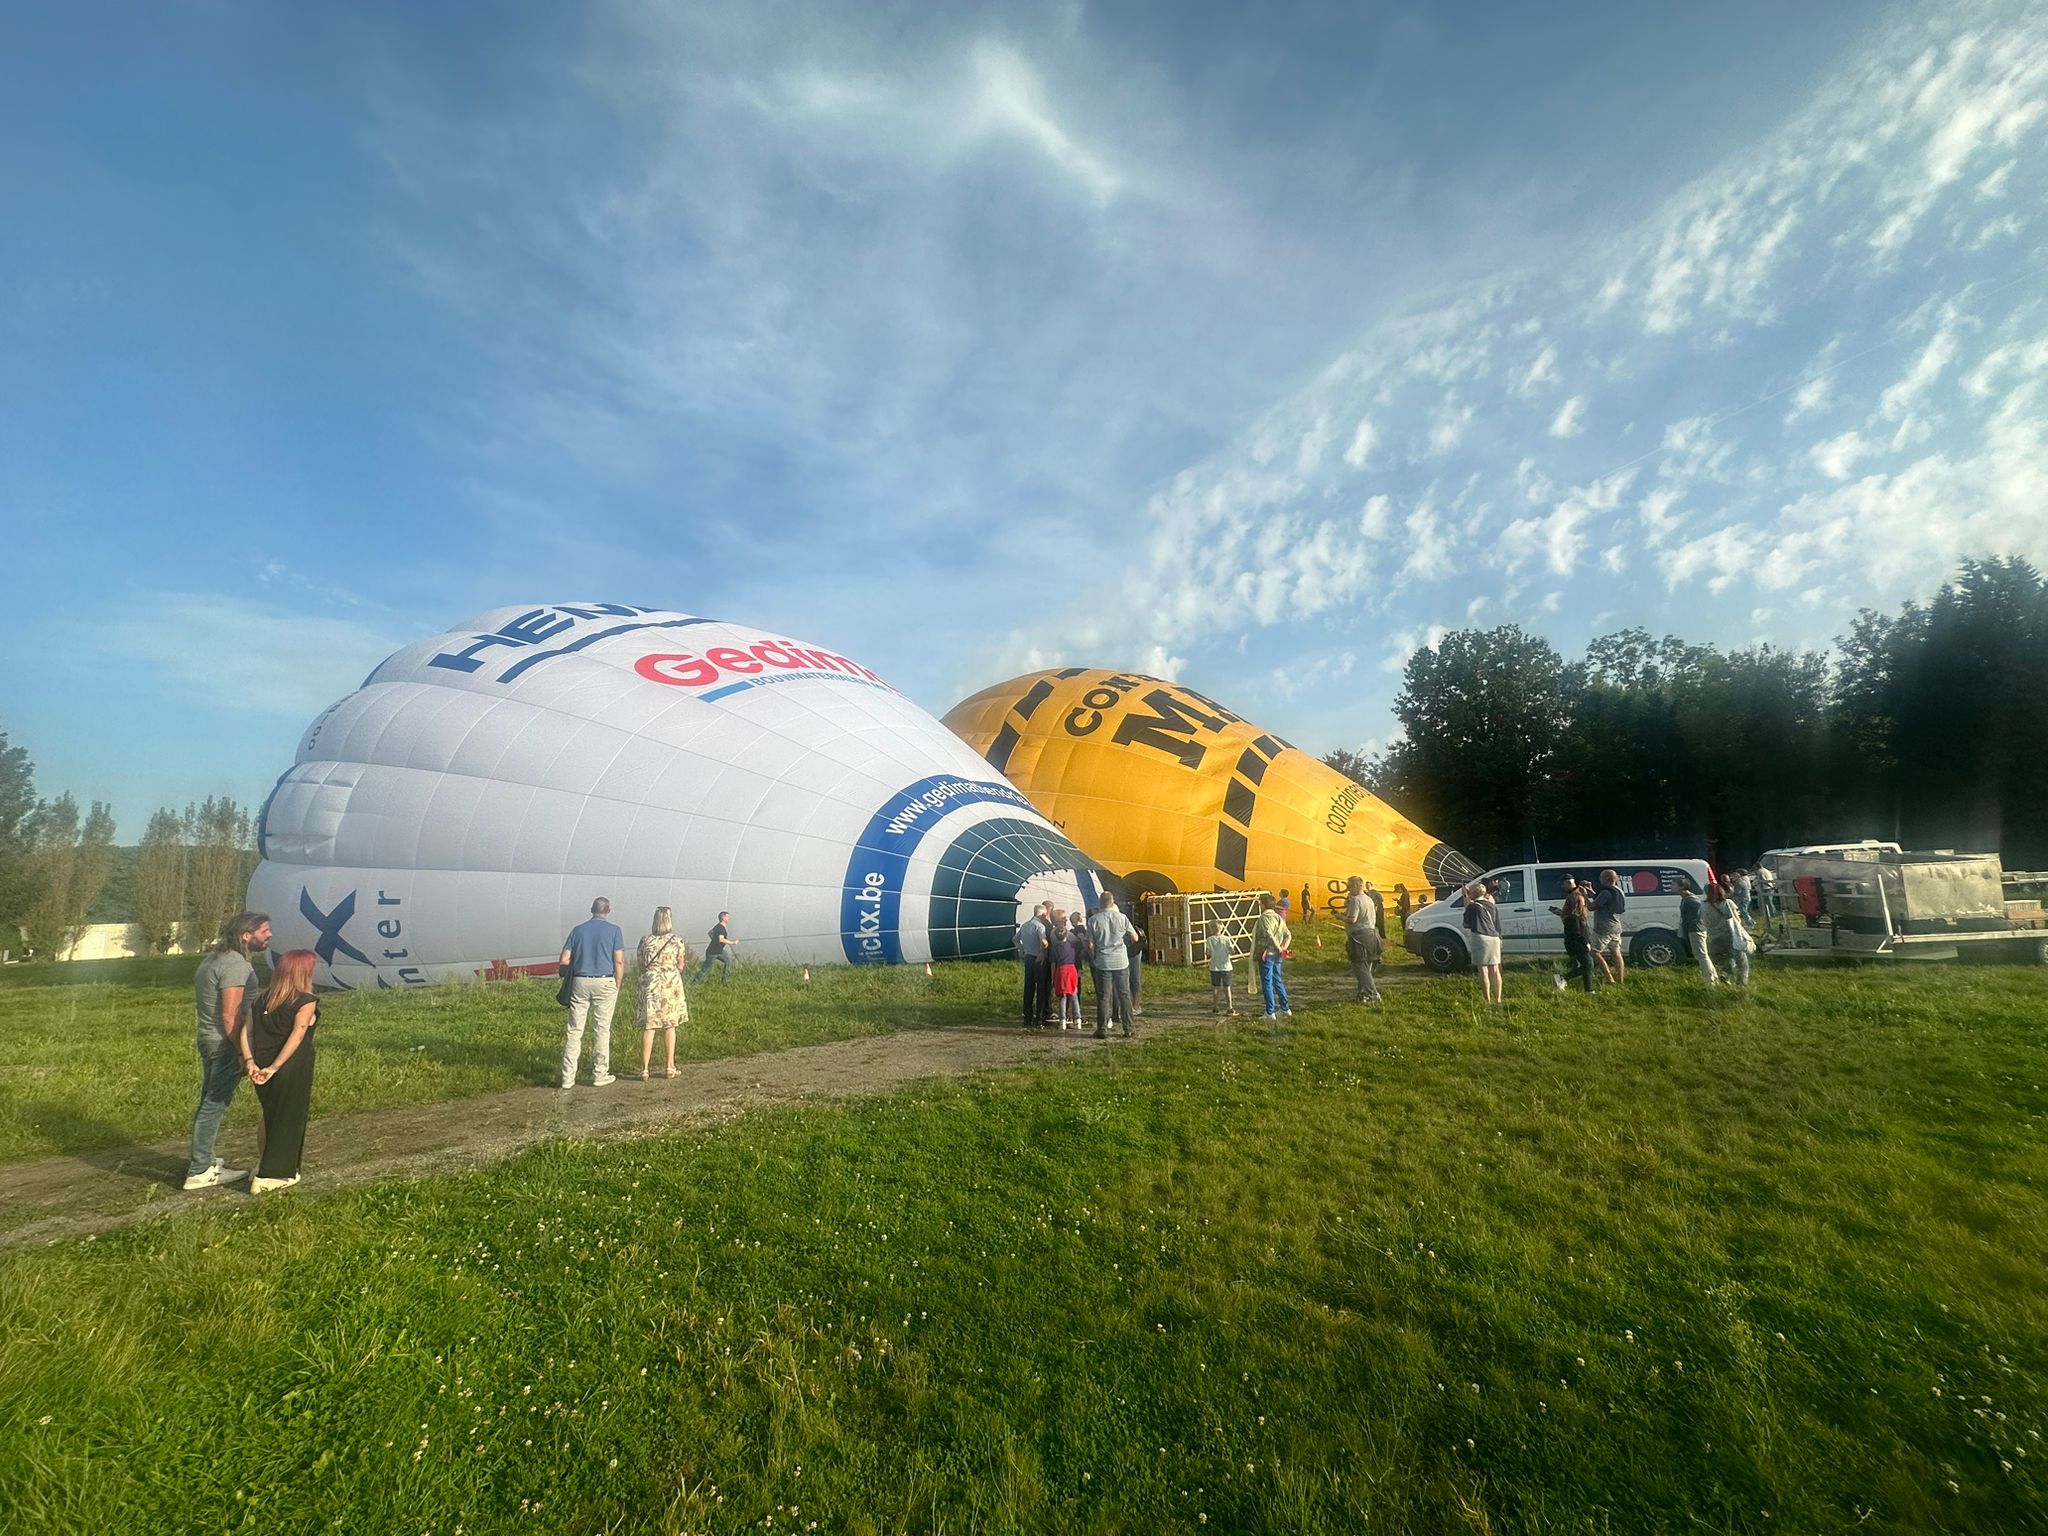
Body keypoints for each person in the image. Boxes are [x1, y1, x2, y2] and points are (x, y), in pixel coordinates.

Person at [184, 910, 271, 1191]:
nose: (268, 935)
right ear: (246, 935)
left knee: (209, 1099)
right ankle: (200, 1170)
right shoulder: (235, 965)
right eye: (263, 931)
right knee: (215, 1104)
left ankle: (205, 1159)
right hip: (223, 1043)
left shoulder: (214, 959)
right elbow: (230, 1015)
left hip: (209, 1039)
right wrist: (242, 1052)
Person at [245, 947, 319, 1192]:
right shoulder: (305, 1001)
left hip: (260, 1064)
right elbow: (297, 1036)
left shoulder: (260, 999)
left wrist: (251, 1062)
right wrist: (276, 1067)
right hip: (290, 1066)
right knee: (290, 1117)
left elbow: (248, 1031)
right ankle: (273, 1174)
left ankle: (263, 1163)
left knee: (270, 1115)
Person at [559, 897, 626, 1088]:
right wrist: (617, 983)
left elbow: (564, 960)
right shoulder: (614, 931)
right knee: (602, 1029)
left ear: (591, 909)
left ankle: (567, 1078)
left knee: (574, 1030)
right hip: (605, 980)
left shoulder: (577, 930)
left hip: (580, 980)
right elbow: (619, 961)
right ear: (609, 910)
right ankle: (599, 1074)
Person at [638, 906, 689, 1079]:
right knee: (669, 1026)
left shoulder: (645, 940)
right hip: (670, 984)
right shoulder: (677, 941)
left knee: (650, 1026)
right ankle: (669, 1066)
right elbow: (681, 965)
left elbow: (641, 965)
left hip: (651, 984)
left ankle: (645, 1069)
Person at [1085, 892, 1137, 1039]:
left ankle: (1102, 1029)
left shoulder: (1093, 920)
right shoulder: (1122, 918)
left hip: (1103, 961)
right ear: (1112, 902)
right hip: (1120, 960)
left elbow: (1089, 943)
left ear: (1100, 903)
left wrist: (1094, 956)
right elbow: (1135, 937)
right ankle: (1128, 1028)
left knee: (1103, 996)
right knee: (1124, 995)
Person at [1703, 880, 1754, 987]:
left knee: (1726, 958)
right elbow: (1736, 920)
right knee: (1742, 963)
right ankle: (1741, 985)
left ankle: (1725, 974)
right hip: (1730, 936)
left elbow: (1702, 921)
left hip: (1713, 937)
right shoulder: (1728, 903)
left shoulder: (1703, 906)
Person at [1551, 879, 1597, 994]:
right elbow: (1576, 932)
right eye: (1582, 903)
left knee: (1588, 964)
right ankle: (1587, 989)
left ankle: (1564, 979)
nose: (1584, 904)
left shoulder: (1574, 915)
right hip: (1577, 943)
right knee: (1588, 964)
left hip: (1576, 941)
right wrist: (1585, 942)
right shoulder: (1574, 917)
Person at [1252, 894, 1294, 1020]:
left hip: (1267, 954)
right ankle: (1285, 1008)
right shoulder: (1279, 917)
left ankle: (1270, 1012)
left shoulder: (1263, 918)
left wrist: (1279, 948)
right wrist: (1283, 948)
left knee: (1267, 982)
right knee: (1277, 980)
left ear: (1263, 905)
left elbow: (1269, 935)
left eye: (1260, 904)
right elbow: (1288, 935)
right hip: (1277, 956)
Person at [1463, 881, 1503, 1004]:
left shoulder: (1472, 907)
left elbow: (1466, 924)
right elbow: (1497, 924)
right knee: (1495, 970)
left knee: (1483, 970)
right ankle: (1498, 999)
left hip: (1480, 938)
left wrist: (1465, 897)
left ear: (1473, 894)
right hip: (1494, 938)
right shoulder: (1492, 905)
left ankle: (1488, 1000)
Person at [1344, 876, 1383, 1002]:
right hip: (1372, 935)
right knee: (1367, 967)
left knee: (1360, 967)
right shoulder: (1369, 899)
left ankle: (1373, 994)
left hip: (1359, 937)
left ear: (1357, 886)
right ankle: (1363, 995)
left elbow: (1352, 919)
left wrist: (1339, 917)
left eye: (1349, 886)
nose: (1348, 889)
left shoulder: (1355, 900)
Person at [1015, 902, 1050, 1028]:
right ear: (1044, 914)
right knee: (1040, 988)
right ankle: (1039, 1017)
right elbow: (1044, 942)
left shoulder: (1025, 925)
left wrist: (1022, 948)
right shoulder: (1040, 926)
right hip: (1038, 958)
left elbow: (1015, 939)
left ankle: (1027, 1016)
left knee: (1028, 987)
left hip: (1028, 956)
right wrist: (1043, 952)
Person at [1591, 869, 1628, 985]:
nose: (1600, 879)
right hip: (1616, 926)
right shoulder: (1619, 891)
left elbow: (1592, 907)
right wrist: (1589, 891)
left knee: (1594, 952)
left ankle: (1609, 978)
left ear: (1607, 879)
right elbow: (1600, 899)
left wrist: (1583, 895)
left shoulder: (1605, 892)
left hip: (1604, 927)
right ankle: (1620, 979)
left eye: (1601, 877)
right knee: (1616, 952)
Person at [1679, 877, 1717, 985]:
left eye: (1673, 884)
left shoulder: (1691, 899)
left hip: (1696, 929)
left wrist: (1696, 921)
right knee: (1701, 955)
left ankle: (1710, 980)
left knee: (1701, 955)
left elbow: (1703, 909)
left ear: (1681, 886)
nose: (1671, 887)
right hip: (1693, 929)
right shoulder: (1686, 898)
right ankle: (1713, 976)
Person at [1049, 913, 1083, 1030]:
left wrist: (1053, 979)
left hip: (1060, 971)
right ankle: (1077, 1019)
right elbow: (1080, 946)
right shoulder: (1072, 945)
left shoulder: (1054, 949)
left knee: (1062, 996)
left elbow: (1053, 964)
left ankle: (1062, 1020)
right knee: (1074, 994)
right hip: (1072, 970)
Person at [693, 911, 737, 983]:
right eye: (727, 917)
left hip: (720, 951)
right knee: (705, 968)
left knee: (728, 961)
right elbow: (721, 939)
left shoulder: (718, 926)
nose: (729, 918)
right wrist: (732, 942)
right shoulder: (721, 928)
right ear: (723, 918)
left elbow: (710, 933)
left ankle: (725, 980)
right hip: (712, 952)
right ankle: (695, 982)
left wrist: (714, 940)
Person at [1205, 923, 1238, 1016]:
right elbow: (1232, 951)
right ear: (1222, 928)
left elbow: (1207, 953)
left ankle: (1215, 1007)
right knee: (1227, 988)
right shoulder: (1227, 939)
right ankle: (1229, 1008)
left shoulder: (1209, 940)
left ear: (1211, 929)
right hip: (1226, 966)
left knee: (1215, 988)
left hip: (1214, 966)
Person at [1125, 913, 1147, 1016]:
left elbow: (1135, 938)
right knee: (1129, 979)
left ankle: (1136, 1005)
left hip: (1134, 951)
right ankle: (1131, 1005)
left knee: (1134, 978)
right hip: (1128, 952)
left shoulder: (1126, 924)